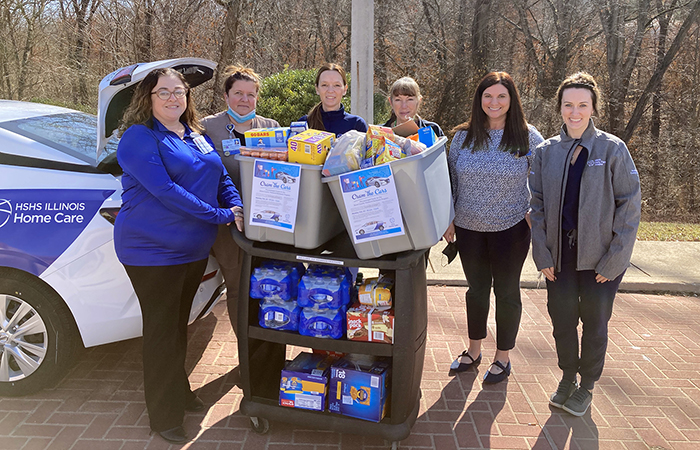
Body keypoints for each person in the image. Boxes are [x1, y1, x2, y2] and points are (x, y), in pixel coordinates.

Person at [114, 67, 244, 444]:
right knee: (161, 332)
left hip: (191, 249)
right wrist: (221, 216)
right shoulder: (139, 137)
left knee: (178, 327)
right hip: (151, 250)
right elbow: (166, 191)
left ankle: (178, 392)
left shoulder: (195, 135)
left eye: (179, 91)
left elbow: (220, 178)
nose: (173, 98)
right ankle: (164, 416)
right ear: (148, 99)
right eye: (163, 92)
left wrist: (233, 205)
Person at [530, 72, 641, 416]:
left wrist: (616, 259)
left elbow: (630, 203)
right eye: (568, 105)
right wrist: (542, 252)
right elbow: (536, 205)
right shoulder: (546, 151)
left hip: (600, 260)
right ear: (559, 107)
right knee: (562, 320)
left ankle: (587, 384)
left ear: (593, 108)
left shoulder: (611, 149)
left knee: (594, 324)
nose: (574, 112)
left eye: (582, 105)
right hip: (559, 258)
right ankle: (567, 377)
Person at [444, 72, 544, 384]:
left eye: (501, 96)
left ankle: (503, 356)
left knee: (507, 291)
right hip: (468, 228)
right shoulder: (462, 138)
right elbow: (448, 182)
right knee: (476, 291)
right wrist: (447, 218)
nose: (494, 102)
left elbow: (544, 184)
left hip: (511, 229)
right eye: (488, 96)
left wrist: (535, 213)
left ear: (512, 100)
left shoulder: (529, 138)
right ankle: (474, 350)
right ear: (479, 100)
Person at [201, 65, 279, 336]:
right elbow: (202, 173)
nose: (244, 100)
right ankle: (244, 347)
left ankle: (266, 342)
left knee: (268, 282)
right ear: (226, 96)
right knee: (237, 284)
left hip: (268, 220)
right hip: (228, 221)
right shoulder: (208, 127)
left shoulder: (272, 128)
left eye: (250, 94)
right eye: (238, 93)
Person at [299, 62, 368, 136]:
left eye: (337, 85)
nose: (330, 90)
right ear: (317, 89)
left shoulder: (357, 125)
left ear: (345, 89)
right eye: (324, 85)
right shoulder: (304, 124)